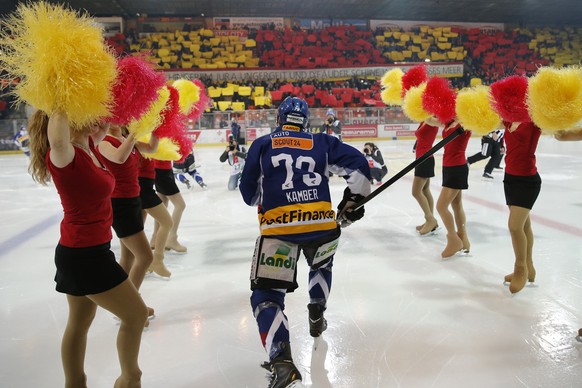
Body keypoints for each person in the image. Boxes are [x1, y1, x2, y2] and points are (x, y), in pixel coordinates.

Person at [239, 97, 371, 388]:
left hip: (279, 230)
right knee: (322, 264)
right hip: (321, 226)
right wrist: (353, 200)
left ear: (279, 120)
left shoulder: (263, 144)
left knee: (267, 296)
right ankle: (317, 311)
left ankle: (282, 362)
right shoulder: (322, 142)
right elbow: (359, 166)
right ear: (306, 120)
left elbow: (249, 195)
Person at [28, 110, 147, 388]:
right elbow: (58, 138)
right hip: (85, 255)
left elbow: (105, 128)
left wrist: (110, 112)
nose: (99, 118)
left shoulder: (90, 147)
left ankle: (75, 383)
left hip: (85, 249)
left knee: (80, 322)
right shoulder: (64, 155)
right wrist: (60, 98)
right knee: (136, 315)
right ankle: (130, 379)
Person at [96, 125, 171, 286]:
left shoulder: (127, 140)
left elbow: (151, 148)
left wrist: (156, 128)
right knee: (145, 257)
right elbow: (119, 157)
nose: (117, 120)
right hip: (119, 204)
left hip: (134, 200)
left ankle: (125, 300)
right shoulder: (104, 142)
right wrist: (134, 135)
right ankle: (132, 303)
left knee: (128, 257)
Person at [501, 121, 542, 293]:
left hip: (527, 181)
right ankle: (529, 267)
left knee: (515, 226)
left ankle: (520, 269)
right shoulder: (508, 120)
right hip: (510, 179)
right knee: (524, 226)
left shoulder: (533, 120)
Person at [436, 119, 472, 258]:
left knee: (441, 206)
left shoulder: (464, 123)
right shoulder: (447, 123)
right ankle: (463, 239)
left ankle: (453, 239)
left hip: (457, 167)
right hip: (449, 167)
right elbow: (430, 120)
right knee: (456, 205)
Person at [137, 152, 175, 276]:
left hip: (146, 183)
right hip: (142, 185)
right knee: (167, 222)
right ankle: (157, 260)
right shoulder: (135, 139)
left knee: (139, 227)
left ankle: (145, 262)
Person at [412, 118, 441, 235]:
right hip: (422, 158)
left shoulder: (433, 120)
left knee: (416, 192)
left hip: (425, 158)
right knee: (425, 190)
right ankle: (430, 221)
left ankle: (430, 219)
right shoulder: (425, 119)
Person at [153, 158, 188, 252]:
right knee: (180, 205)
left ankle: (155, 238)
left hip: (162, 169)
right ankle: (171, 238)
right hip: (161, 171)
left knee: (162, 203)